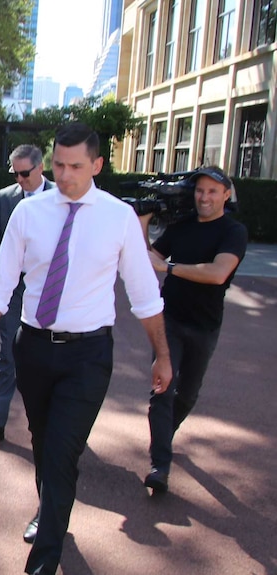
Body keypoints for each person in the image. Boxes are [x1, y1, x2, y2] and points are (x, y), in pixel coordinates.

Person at [0, 123, 172, 575]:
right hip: (33, 348)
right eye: (58, 164)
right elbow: (1, 282)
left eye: (76, 166)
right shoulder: (29, 213)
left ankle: (43, 560)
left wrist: (162, 354)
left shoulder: (118, 217)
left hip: (88, 355)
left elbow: (144, 294)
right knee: (43, 443)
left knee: (61, 450)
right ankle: (52, 510)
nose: (65, 174)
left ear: (97, 165)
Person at [139, 166, 247, 494]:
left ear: (226, 195)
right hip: (168, 318)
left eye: (213, 191)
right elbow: (148, 259)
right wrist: (142, 223)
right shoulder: (181, 226)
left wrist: (169, 267)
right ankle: (160, 464)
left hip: (205, 325)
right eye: (200, 190)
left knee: (187, 394)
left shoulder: (233, 231)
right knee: (163, 387)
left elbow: (217, 273)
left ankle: (163, 437)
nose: (205, 197)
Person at [0, 144, 56, 442]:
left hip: (49, 292)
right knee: (8, 352)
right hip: (11, 288)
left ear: (40, 167)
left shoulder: (61, 198)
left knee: (46, 358)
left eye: (25, 173)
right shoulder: (5, 197)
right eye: (15, 173)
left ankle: (53, 423)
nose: (19, 179)